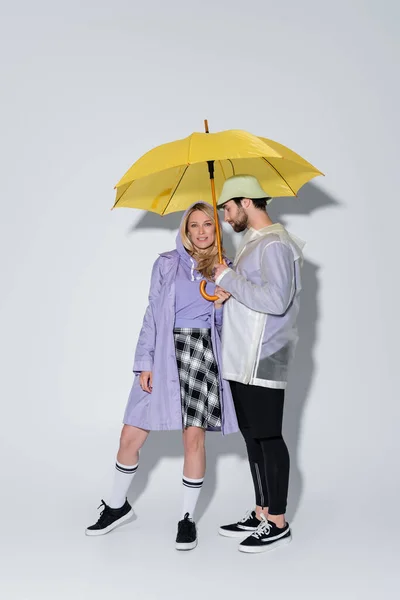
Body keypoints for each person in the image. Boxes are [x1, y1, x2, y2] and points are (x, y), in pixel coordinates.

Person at [86, 202, 238, 550]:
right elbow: (152, 314)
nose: (201, 231)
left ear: (217, 230)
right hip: (164, 354)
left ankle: (186, 519)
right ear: (185, 230)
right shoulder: (166, 264)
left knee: (193, 439)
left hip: (201, 354)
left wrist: (219, 306)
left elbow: (229, 332)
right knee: (131, 435)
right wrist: (145, 363)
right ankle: (116, 506)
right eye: (194, 225)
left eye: (208, 225)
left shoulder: (224, 270)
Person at [213, 175, 305, 554]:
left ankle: (278, 522)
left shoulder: (275, 245)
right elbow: (251, 295)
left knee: (269, 436)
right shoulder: (253, 244)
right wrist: (227, 292)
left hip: (264, 355)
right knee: (253, 436)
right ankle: (261, 511)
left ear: (247, 202)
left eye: (227, 207)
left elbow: (277, 300)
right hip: (242, 356)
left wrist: (230, 278)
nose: (224, 216)